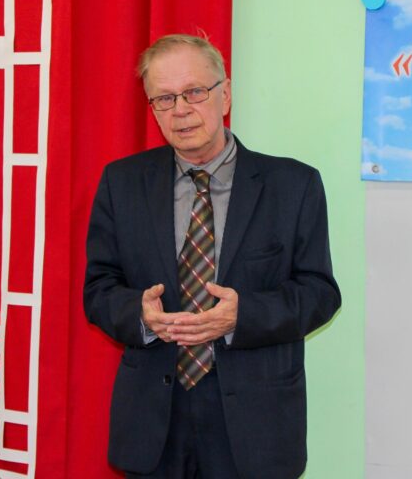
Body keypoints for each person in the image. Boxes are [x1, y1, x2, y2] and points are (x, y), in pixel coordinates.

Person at [83, 34, 341, 479]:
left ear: (226, 95)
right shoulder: (121, 183)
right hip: (152, 421)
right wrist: (140, 314)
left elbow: (320, 294)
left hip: (255, 425)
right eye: (164, 98)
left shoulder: (293, 185)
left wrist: (242, 316)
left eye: (195, 92)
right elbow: (99, 289)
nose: (181, 110)